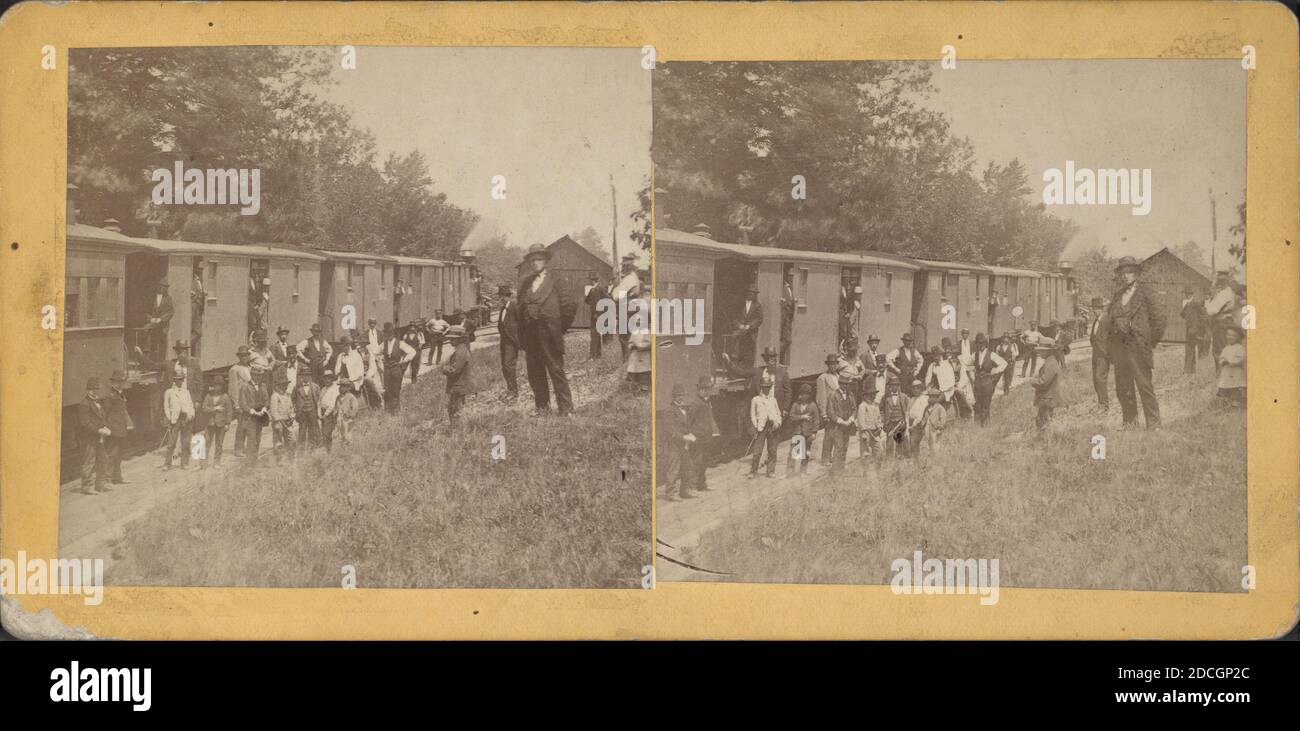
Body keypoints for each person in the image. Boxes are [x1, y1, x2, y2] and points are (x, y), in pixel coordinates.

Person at [1104, 256, 1165, 429]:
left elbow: (1159, 319)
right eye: (1123, 272)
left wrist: (1148, 341)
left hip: (1138, 346)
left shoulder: (1146, 292)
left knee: (1144, 386)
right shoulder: (1117, 295)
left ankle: (1154, 424)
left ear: (1137, 273)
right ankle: (1129, 423)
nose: (1126, 275)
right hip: (1119, 347)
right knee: (1123, 387)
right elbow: (1110, 319)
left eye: (1130, 272)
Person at [517, 243, 577, 416]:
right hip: (531, 335)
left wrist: (559, 327)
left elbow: (569, 305)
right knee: (535, 372)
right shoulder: (525, 282)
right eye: (532, 260)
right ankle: (542, 408)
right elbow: (520, 307)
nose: (535, 263)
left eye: (539, 259)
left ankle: (566, 409)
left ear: (546, 261)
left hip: (549, 334)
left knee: (556, 370)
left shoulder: (556, 279)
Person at [660, 384, 695, 501]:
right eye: (678, 395)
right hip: (674, 444)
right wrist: (684, 437)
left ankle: (685, 490)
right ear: (673, 396)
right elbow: (670, 430)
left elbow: (685, 426)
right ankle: (671, 493)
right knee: (673, 468)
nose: (681, 397)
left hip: (683, 444)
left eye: (682, 395)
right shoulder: (669, 411)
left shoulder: (683, 410)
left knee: (688, 467)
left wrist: (690, 434)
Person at [77, 377, 112, 495]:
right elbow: (85, 423)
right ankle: (87, 486)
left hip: (98, 437)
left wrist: (105, 426)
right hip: (88, 437)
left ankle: (100, 485)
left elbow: (101, 418)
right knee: (89, 462)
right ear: (88, 390)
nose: (95, 391)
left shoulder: (97, 402)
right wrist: (99, 430)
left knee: (104, 459)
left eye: (96, 389)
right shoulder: (84, 404)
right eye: (92, 389)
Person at [685, 376, 718, 493]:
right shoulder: (696, 403)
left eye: (708, 388)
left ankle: (702, 485)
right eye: (705, 389)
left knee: (704, 462)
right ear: (700, 389)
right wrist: (690, 435)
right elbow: (689, 421)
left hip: (706, 437)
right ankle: (692, 487)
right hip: (698, 438)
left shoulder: (706, 401)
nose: (707, 391)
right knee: (696, 463)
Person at [969, 332, 1008, 427]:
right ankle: (978, 424)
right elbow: (967, 364)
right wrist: (972, 373)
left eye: (982, 343)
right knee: (978, 403)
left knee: (986, 403)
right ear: (977, 344)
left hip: (987, 382)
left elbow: (1004, 364)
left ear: (986, 343)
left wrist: (994, 372)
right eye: (979, 343)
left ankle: (985, 424)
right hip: (978, 382)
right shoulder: (975, 355)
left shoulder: (991, 354)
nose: (981, 345)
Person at [748, 373, 782, 478]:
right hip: (761, 427)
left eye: (768, 387)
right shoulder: (756, 400)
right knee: (757, 451)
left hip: (772, 426)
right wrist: (756, 425)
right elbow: (752, 414)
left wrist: (778, 423)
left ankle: (771, 471)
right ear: (761, 388)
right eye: (764, 387)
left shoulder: (773, 400)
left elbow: (778, 413)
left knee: (772, 450)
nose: (766, 389)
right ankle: (753, 471)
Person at [379, 322, 417, 414]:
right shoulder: (383, 344)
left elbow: (412, 352)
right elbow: (376, 352)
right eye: (386, 333)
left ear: (393, 333)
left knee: (396, 389)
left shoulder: (400, 343)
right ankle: (387, 411)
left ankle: (396, 411)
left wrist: (404, 361)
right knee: (387, 390)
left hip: (396, 369)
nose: (388, 335)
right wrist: (380, 359)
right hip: (387, 370)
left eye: (389, 333)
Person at [1204, 270, 1239, 368]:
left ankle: (1221, 377)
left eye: (1218, 281)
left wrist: (1209, 300)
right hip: (1226, 323)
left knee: (1218, 351)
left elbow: (1211, 311)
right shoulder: (1229, 292)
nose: (1216, 283)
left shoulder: (1224, 293)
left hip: (1220, 324)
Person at [234, 364, 267, 465]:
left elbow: (266, 399)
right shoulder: (245, 386)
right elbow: (242, 403)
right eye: (256, 375)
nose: (258, 377)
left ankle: (255, 459)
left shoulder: (263, 385)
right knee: (251, 439)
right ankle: (249, 462)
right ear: (252, 375)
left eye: (260, 375)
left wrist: (264, 409)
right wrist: (252, 411)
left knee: (258, 438)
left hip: (260, 416)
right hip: (249, 417)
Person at [442, 324, 474, 429]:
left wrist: (444, 368)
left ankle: (456, 433)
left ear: (460, 339)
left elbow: (455, 370)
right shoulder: (461, 349)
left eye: (453, 339)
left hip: (459, 387)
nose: (450, 341)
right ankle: (456, 431)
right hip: (459, 386)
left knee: (455, 411)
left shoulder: (460, 352)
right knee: (453, 410)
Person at [103, 370, 132, 484]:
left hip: (121, 429)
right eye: (117, 382)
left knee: (119, 454)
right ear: (112, 383)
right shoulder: (110, 396)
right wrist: (106, 428)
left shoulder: (120, 394)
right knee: (112, 454)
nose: (120, 384)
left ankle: (117, 478)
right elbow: (105, 413)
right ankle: (107, 479)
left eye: (121, 382)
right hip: (113, 429)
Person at [823, 373, 856, 474]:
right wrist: (841, 421)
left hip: (847, 425)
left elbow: (854, 408)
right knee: (838, 447)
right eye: (844, 384)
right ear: (839, 383)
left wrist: (850, 419)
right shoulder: (832, 395)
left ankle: (842, 467)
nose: (846, 386)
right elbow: (830, 412)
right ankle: (835, 470)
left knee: (845, 447)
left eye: (847, 384)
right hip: (837, 426)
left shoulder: (850, 394)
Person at [161, 372, 195, 470]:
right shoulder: (169, 392)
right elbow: (166, 406)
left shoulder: (186, 392)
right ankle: (167, 464)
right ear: (174, 380)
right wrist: (169, 418)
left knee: (185, 442)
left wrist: (191, 414)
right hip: (174, 419)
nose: (179, 381)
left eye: (181, 379)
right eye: (177, 379)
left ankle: (184, 463)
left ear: (183, 380)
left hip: (185, 419)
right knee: (171, 442)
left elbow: (191, 405)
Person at [199, 375, 232, 468]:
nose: (217, 387)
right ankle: (203, 463)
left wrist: (228, 423)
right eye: (216, 385)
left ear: (222, 386)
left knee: (219, 444)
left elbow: (229, 411)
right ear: (213, 386)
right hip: (210, 423)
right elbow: (204, 408)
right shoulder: (208, 396)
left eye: (220, 385)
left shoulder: (225, 397)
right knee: (206, 443)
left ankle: (217, 462)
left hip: (221, 424)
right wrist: (215, 409)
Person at [227, 345, 254, 456]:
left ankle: (248, 447)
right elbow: (233, 388)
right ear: (239, 357)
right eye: (242, 356)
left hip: (250, 401)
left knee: (250, 425)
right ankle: (238, 449)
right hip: (241, 401)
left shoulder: (250, 368)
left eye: (246, 355)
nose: (244, 358)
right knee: (241, 426)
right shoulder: (234, 369)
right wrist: (236, 404)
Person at [815, 353, 842, 465]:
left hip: (838, 410)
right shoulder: (822, 378)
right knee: (828, 435)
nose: (833, 366)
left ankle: (832, 456)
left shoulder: (838, 377)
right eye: (831, 364)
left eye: (835, 364)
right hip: (829, 410)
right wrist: (823, 413)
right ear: (828, 365)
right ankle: (825, 458)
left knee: (836, 434)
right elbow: (821, 397)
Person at [1031, 337, 1062, 430]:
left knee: (1044, 424)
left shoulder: (1050, 363)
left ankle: (1045, 441)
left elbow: (1044, 382)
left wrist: (1033, 381)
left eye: (1042, 351)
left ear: (1049, 351)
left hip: (1047, 399)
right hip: (1047, 398)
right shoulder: (1050, 361)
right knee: (1044, 422)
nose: (1039, 353)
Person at [496, 287, 521, 400]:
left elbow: (522, 323)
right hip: (504, 341)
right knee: (504, 366)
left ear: (508, 296)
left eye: (503, 296)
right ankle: (510, 389)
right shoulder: (503, 309)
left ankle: (514, 391)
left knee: (509, 365)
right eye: (500, 296)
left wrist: (518, 339)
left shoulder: (514, 307)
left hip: (511, 341)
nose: (501, 298)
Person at [142, 279, 174, 362]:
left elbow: (171, 312)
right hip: (152, 323)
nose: (164, 289)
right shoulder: (151, 297)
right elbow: (145, 311)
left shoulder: (168, 298)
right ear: (159, 287)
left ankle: (161, 362)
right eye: (163, 287)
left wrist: (161, 319)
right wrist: (150, 319)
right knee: (147, 331)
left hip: (163, 325)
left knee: (162, 343)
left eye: (166, 287)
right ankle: (147, 359)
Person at [292, 368, 322, 458]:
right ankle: (301, 452)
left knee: (312, 431)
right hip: (302, 413)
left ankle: (311, 450)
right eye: (304, 375)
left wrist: (318, 412)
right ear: (301, 376)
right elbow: (293, 398)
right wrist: (296, 408)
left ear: (310, 376)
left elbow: (318, 399)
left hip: (312, 411)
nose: (305, 377)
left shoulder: (315, 387)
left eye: (307, 375)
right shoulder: (297, 387)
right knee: (302, 431)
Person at [879, 376, 910, 460]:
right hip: (890, 424)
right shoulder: (885, 397)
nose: (894, 387)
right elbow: (881, 410)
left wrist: (906, 421)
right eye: (892, 385)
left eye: (896, 385)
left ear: (899, 386)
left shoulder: (904, 397)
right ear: (889, 386)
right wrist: (883, 420)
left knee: (899, 442)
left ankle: (899, 460)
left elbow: (907, 410)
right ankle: (889, 462)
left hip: (900, 423)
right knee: (889, 443)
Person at [733, 285, 763, 369]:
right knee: (738, 351)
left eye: (753, 293)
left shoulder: (758, 306)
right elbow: (735, 318)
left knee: (750, 352)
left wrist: (749, 326)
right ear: (747, 293)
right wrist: (739, 325)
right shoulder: (740, 304)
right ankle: (738, 369)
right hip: (740, 332)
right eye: (749, 293)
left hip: (751, 333)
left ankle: (748, 370)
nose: (751, 295)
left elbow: (759, 319)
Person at [626, 301, 652, 393]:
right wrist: (631, 345)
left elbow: (650, 343)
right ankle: (634, 388)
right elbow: (630, 342)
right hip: (634, 356)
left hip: (643, 357)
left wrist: (640, 346)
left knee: (643, 374)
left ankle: (644, 389)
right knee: (633, 372)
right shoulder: (635, 331)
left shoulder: (647, 331)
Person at [855, 381, 884, 464]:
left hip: (875, 431)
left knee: (879, 450)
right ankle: (866, 472)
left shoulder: (875, 405)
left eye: (874, 394)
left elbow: (878, 418)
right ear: (865, 396)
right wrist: (863, 432)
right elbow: (861, 420)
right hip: (866, 431)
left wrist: (879, 427)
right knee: (865, 453)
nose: (873, 396)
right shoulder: (862, 406)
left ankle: (877, 469)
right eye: (871, 394)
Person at [1216, 327, 1246, 406]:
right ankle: (1226, 401)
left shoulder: (1240, 348)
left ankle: (1236, 402)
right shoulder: (1226, 348)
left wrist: (1231, 362)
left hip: (1235, 372)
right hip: (1226, 371)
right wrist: (1222, 361)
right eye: (1228, 335)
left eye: (1233, 335)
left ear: (1238, 337)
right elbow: (1221, 357)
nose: (1230, 337)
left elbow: (1241, 359)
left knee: (1235, 385)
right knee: (1226, 385)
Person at [269, 373, 295, 464]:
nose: (285, 387)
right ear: (278, 385)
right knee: (278, 441)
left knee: (291, 439)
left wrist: (292, 416)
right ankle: (279, 460)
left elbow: (291, 408)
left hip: (288, 421)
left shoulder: (287, 395)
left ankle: (290, 459)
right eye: (283, 385)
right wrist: (280, 421)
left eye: (286, 385)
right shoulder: (275, 396)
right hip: (278, 422)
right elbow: (273, 412)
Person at [886, 332, 922, 397]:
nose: (908, 343)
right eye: (906, 341)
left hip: (912, 376)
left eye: (909, 341)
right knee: (903, 393)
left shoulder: (914, 351)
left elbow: (921, 360)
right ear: (903, 341)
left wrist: (917, 370)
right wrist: (896, 369)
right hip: (903, 376)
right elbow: (888, 358)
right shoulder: (898, 351)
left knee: (913, 392)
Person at [1179, 287, 1205, 375]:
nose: (1187, 295)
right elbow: (1182, 314)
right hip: (1189, 329)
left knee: (1189, 349)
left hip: (1194, 329)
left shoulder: (1195, 303)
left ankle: (1187, 370)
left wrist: (1197, 326)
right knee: (1190, 349)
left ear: (1192, 294)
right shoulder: (1187, 303)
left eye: (1189, 293)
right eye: (1186, 293)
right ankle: (1192, 370)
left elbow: (1203, 314)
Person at [583, 274, 607, 360]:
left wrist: (599, 312)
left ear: (593, 280)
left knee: (595, 334)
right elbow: (586, 300)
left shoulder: (600, 289)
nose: (589, 281)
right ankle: (596, 355)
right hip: (594, 315)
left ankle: (594, 355)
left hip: (598, 315)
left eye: (590, 280)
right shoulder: (592, 289)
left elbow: (606, 301)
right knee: (594, 334)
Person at [248, 330, 275, 399]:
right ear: (256, 341)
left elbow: (273, 360)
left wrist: (270, 366)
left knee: (268, 390)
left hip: (267, 374)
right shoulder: (251, 352)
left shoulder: (267, 351)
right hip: (256, 375)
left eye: (264, 342)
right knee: (257, 392)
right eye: (261, 342)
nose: (263, 343)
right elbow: (246, 364)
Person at [317, 370, 340, 452]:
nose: (327, 380)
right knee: (323, 432)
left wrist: (326, 414)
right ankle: (326, 450)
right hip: (323, 413)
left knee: (328, 432)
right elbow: (319, 402)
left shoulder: (335, 389)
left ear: (332, 379)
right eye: (325, 378)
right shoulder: (323, 389)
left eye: (329, 378)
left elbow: (332, 404)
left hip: (330, 413)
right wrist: (319, 414)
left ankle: (330, 450)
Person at [922, 387, 948, 451]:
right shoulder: (927, 407)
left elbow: (943, 419)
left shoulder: (940, 408)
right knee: (927, 442)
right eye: (930, 397)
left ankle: (935, 458)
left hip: (935, 428)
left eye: (933, 397)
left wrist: (940, 428)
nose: (931, 399)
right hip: (927, 427)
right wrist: (922, 424)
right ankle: (928, 455)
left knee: (935, 443)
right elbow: (924, 416)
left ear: (937, 398)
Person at [336, 380, 360, 446]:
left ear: (348, 388)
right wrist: (335, 412)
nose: (341, 388)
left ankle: (349, 445)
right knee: (340, 432)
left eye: (343, 386)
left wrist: (350, 415)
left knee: (348, 432)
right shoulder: (338, 397)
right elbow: (336, 406)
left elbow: (355, 407)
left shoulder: (351, 397)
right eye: (340, 386)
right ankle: (342, 445)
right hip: (340, 417)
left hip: (347, 418)